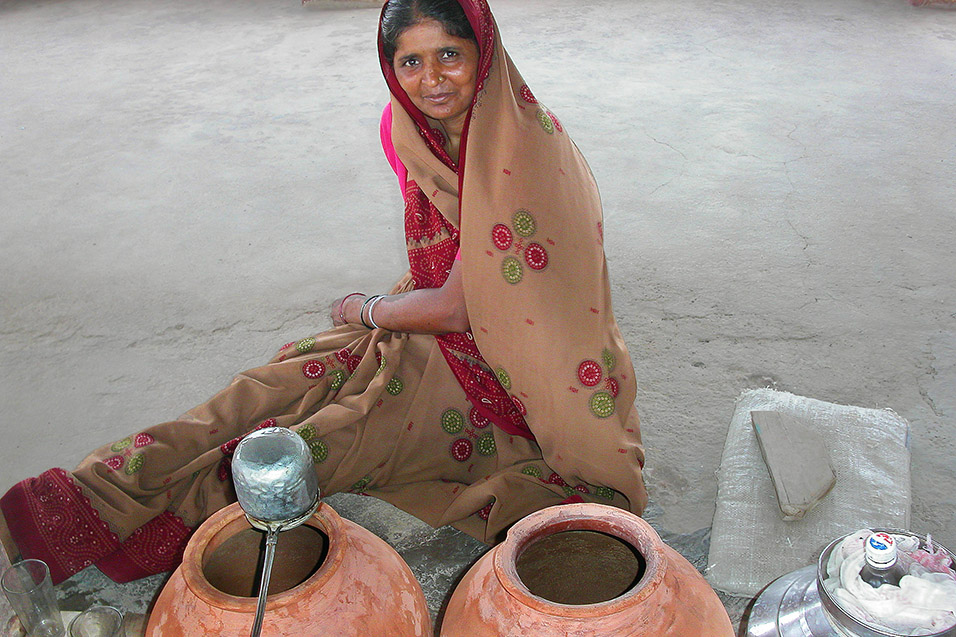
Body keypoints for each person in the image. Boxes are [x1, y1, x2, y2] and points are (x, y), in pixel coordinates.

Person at [0, 0, 648, 586]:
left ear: (485, 53)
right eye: (411, 62)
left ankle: (137, 517)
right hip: (440, 319)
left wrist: (368, 309)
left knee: (305, 445)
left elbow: (459, 305)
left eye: (450, 54)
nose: (431, 80)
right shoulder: (410, 128)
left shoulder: (525, 153)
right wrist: (385, 316)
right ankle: (80, 499)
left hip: (514, 371)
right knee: (270, 384)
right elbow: (449, 271)